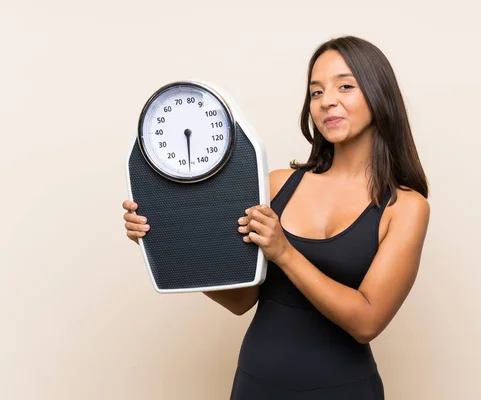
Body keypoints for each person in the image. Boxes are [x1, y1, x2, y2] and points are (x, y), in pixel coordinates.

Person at [122, 35, 430, 400]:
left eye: (345, 86)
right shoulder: (275, 184)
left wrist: (285, 252)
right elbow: (241, 300)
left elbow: (366, 321)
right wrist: (164, 241)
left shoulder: (405, 206)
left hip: (345, 390)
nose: (327, 100)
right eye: (316, 92)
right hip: (257, 384)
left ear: (380, 96)